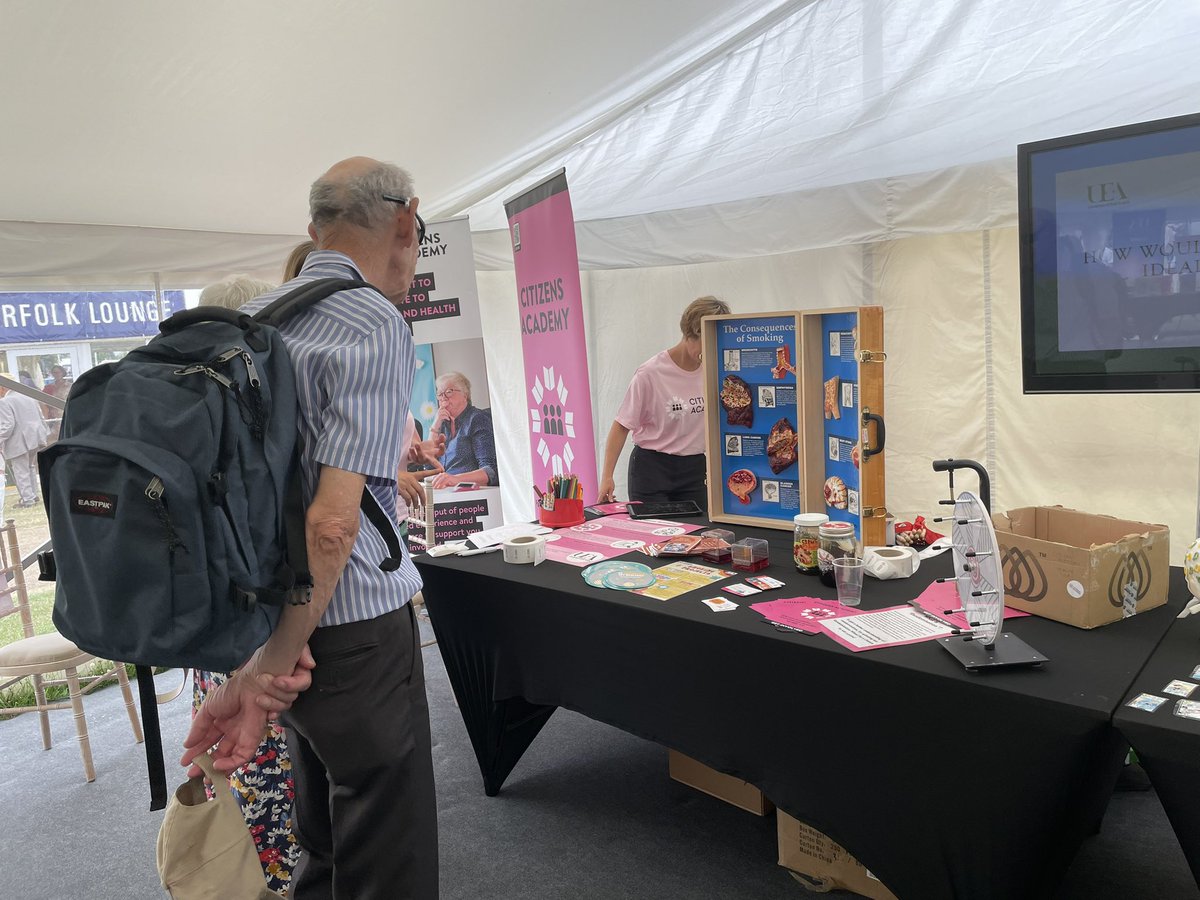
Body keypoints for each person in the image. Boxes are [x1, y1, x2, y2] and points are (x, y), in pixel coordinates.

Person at [182, 157, 437, 899]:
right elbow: (332, 524)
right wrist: (266, 674)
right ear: (403, 220)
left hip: (274, 620)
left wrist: (263, 660)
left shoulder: (255, 319)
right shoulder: (372, 320)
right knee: (389, 849)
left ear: (313, 230)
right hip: (350, 628)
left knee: (323, 842)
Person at [193, 273, 297, 895]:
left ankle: (241, 874)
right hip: (266, 639)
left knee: (236, 771)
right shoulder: (256, 420)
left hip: (215, 638)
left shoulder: (190, 415)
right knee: (268, 774)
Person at [597, 295, 730, 511]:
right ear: (690, 333)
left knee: (698, 536)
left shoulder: (714, 369)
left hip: (694, 468)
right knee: (655, 538)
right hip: (652, 469)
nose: (711, 349)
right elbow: (621, 426)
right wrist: (607, 477)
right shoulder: (650, 373)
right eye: (707, 340)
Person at [426, 371, 498, 489]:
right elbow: (429, 466)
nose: (443, 398)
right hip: (447, 493)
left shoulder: (477, 419)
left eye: (449, 392)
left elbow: (490, 471)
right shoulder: (443, 424)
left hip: (473, 495)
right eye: (439, 394)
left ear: (465, 395)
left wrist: (454, 479)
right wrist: (434, 427)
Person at [0, 374, 50, 508]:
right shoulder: (27, 396)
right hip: (35, 437)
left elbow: (7, 425)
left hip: (19, 440)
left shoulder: (5, 401)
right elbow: (40, 417)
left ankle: (27, 499)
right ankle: (33, 495)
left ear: (3, 386)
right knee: (30, 467)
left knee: (21, 470)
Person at [42, 364, 73, 443]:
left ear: (62, 373)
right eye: (54, 373)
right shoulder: (48, 387)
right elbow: (43, 402)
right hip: (52, 417)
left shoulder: (70, 386)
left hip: (67, 415)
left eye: (58, 372)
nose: (57, 374)